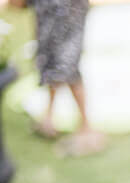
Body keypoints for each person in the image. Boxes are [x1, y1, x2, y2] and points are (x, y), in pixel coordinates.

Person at [10, 0, 105, 156]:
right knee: (52, 63)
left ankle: (86, 127)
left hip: (65, 9)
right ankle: (48, 119)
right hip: (50, 9)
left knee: (67, 64)